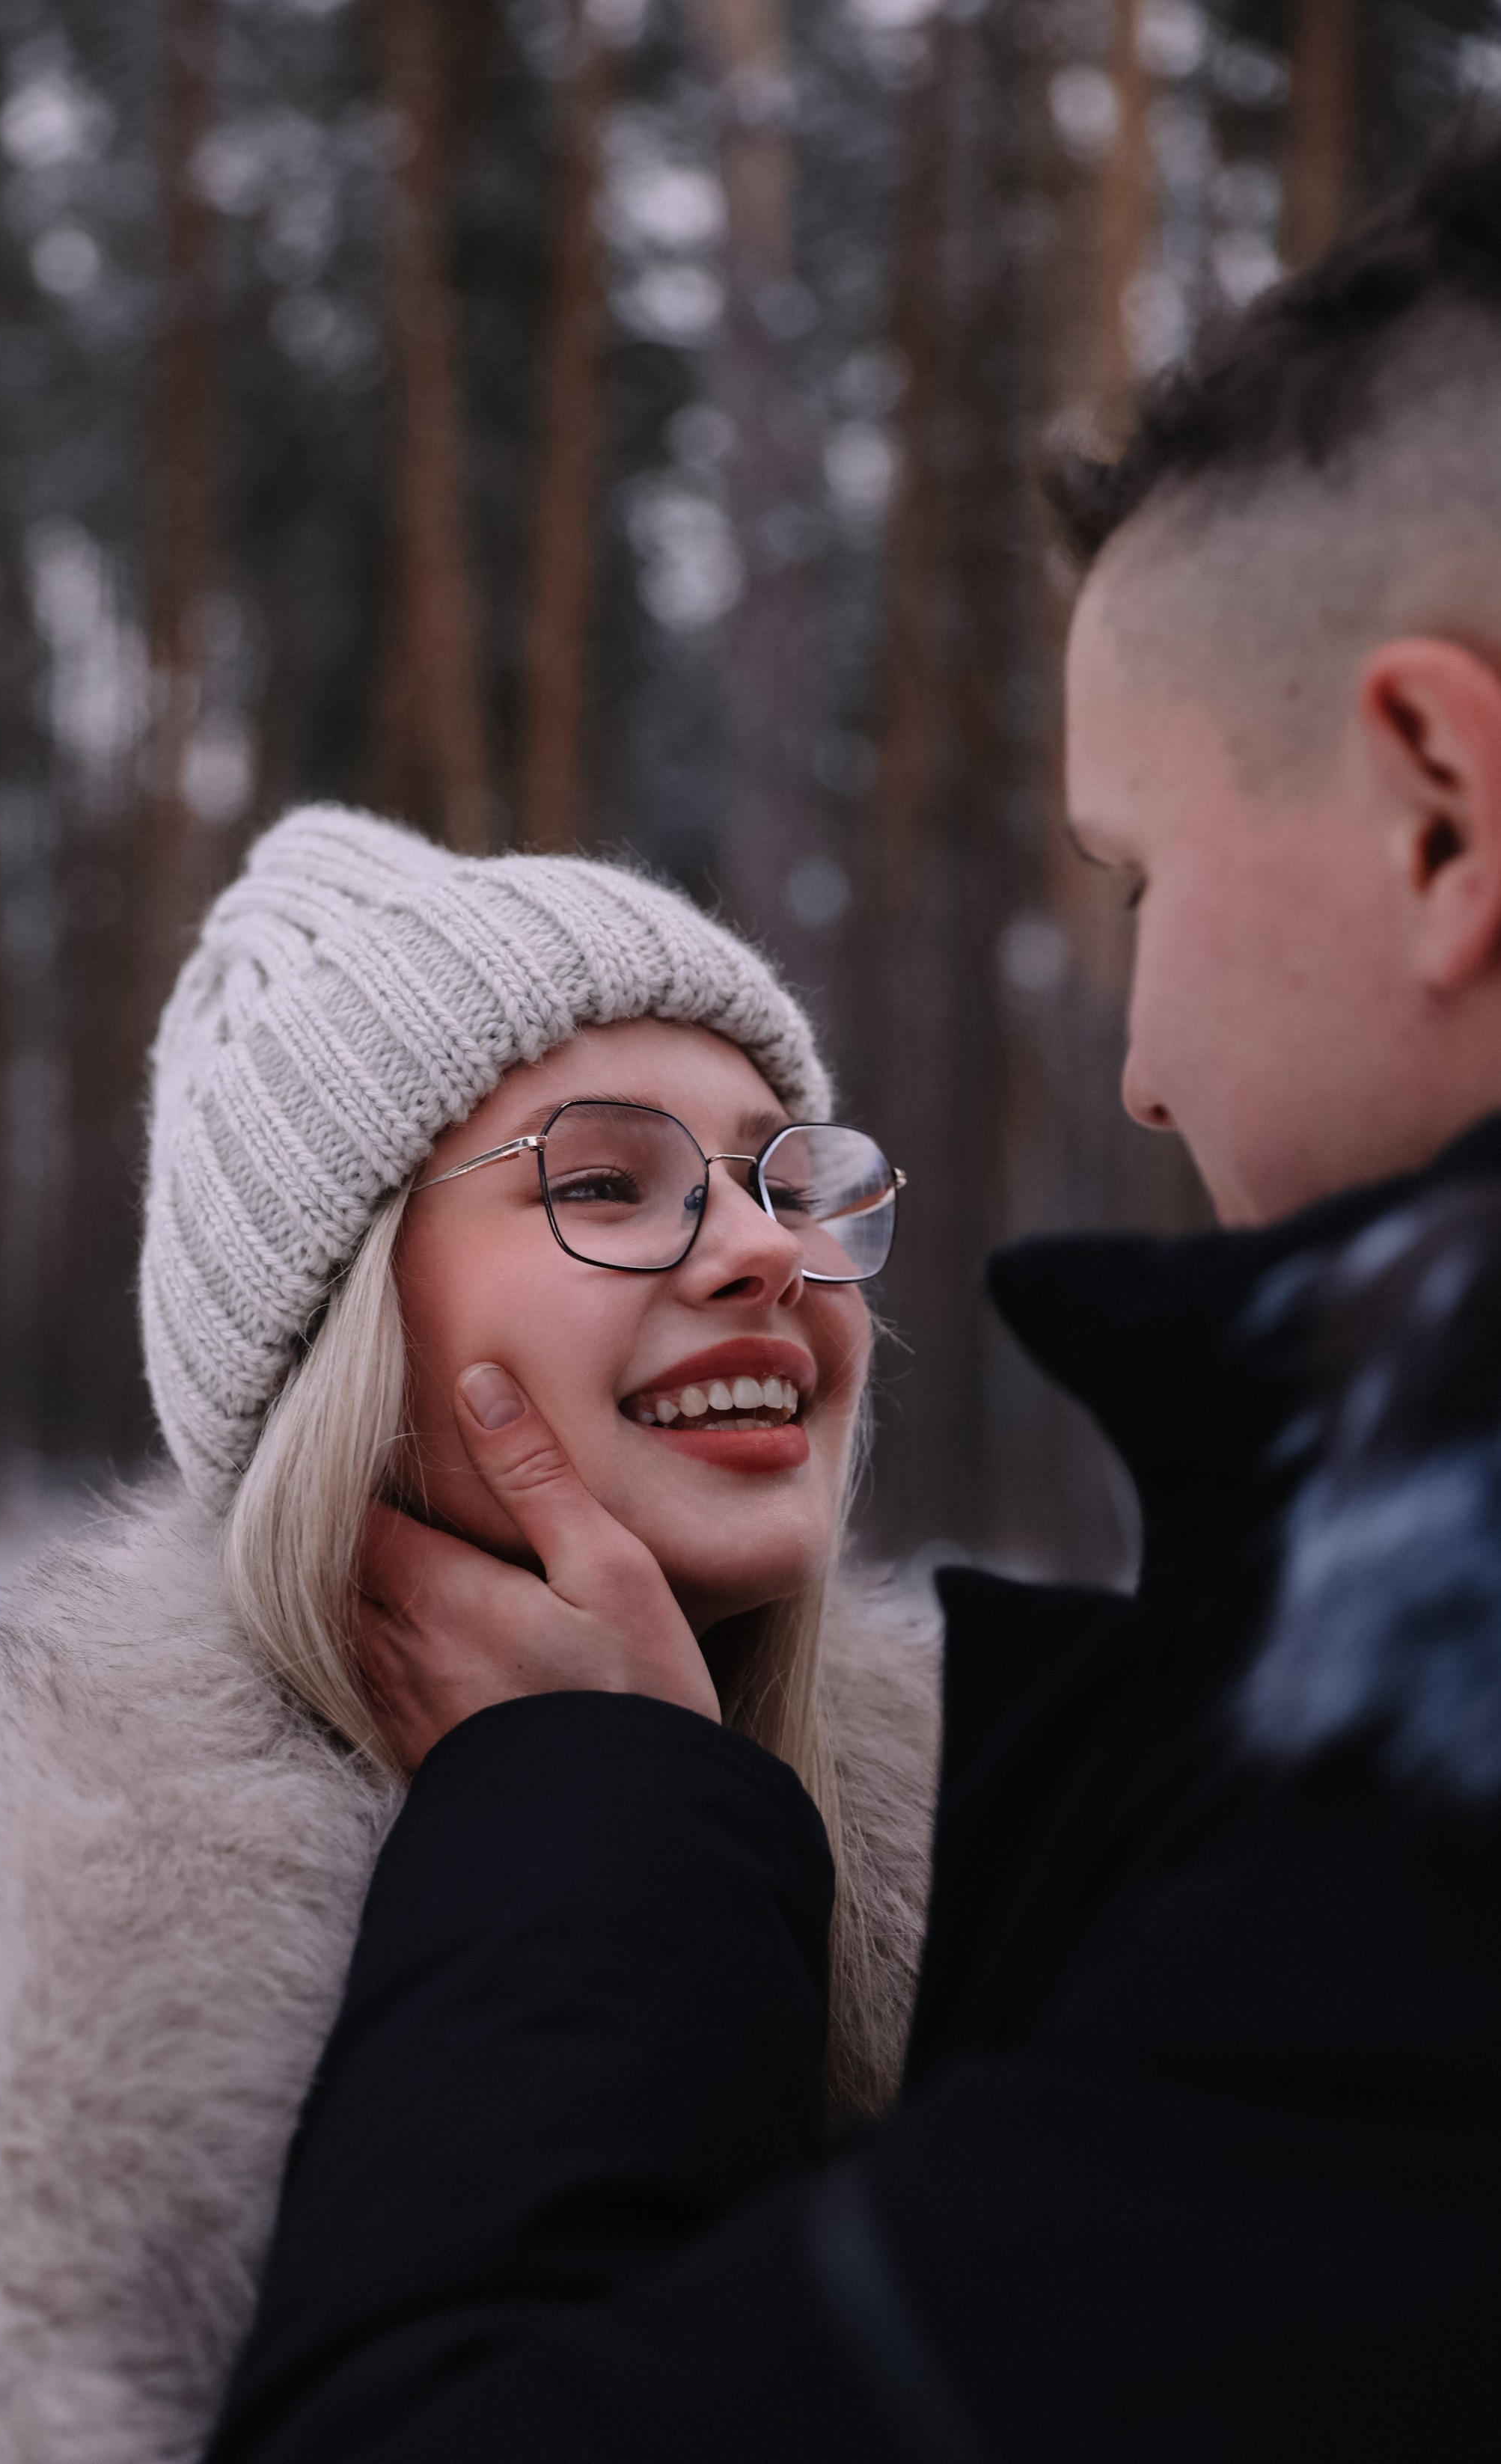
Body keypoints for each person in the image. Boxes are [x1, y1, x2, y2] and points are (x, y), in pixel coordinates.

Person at [200, 129, 1501, 2464]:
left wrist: (592, 1821)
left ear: (1439, 808)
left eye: (1137, 881)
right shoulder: (41, 1961)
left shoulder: (1393, 1787)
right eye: (606, 1180)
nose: (1138, 1064)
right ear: (330, 1346)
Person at [0, 809, 942, 2461]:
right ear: (339, 1334)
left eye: (787, 1179)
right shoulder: (32, 2036)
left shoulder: (1035, 1860)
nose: (764, 1251)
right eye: (605, 1181)